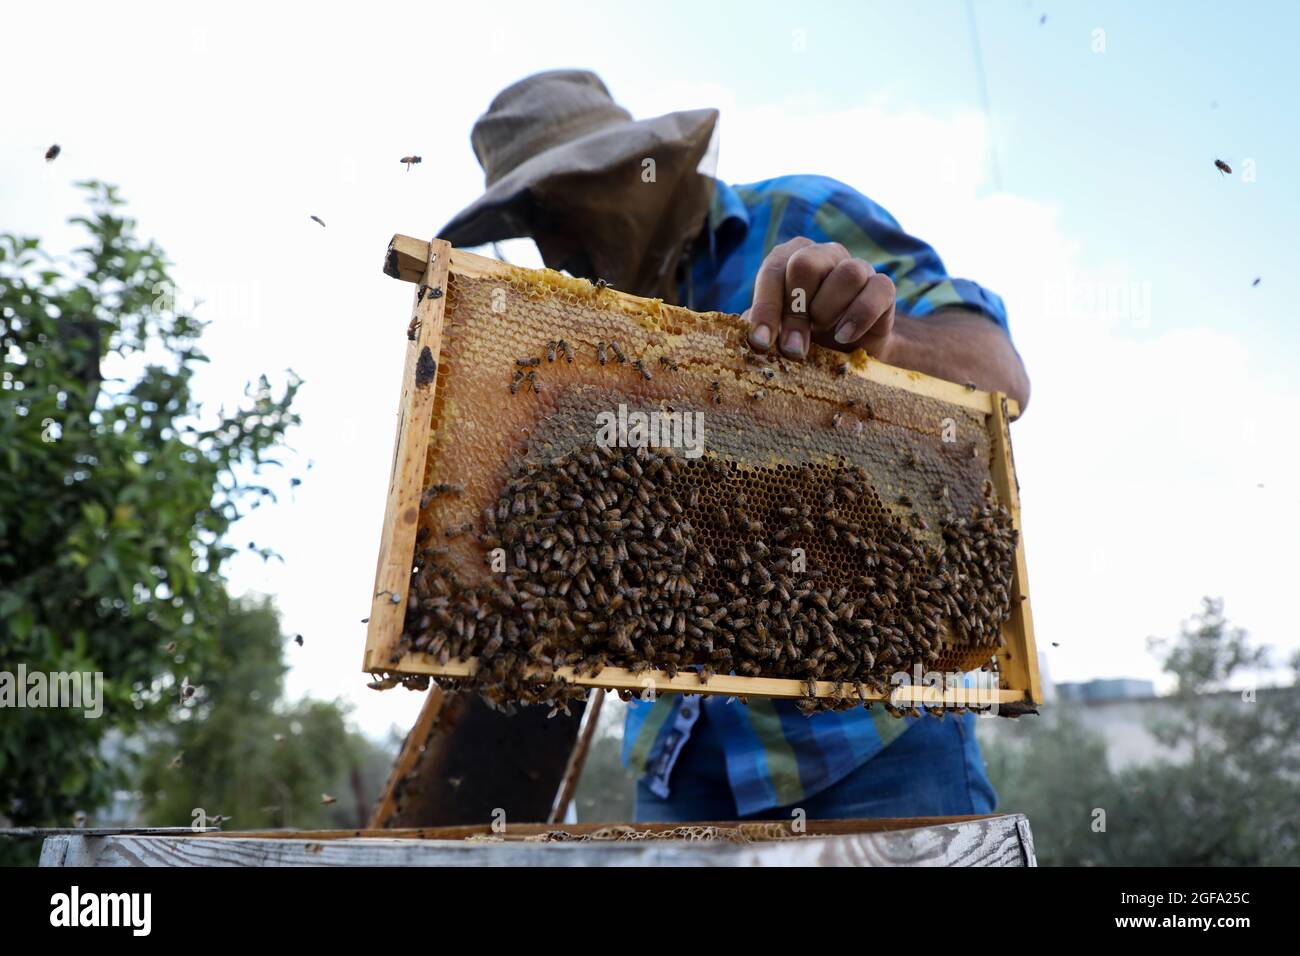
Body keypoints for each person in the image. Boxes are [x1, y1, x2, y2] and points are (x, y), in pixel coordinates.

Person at [440, 70, 1030, 822]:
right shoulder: (576, 332)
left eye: (560, 202)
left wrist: (878, 344)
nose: (549, 242)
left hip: (865, 733)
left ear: (639, 162)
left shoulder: (799, 213)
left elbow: (1001, 375)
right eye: (529, 217)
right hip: (676, 755)